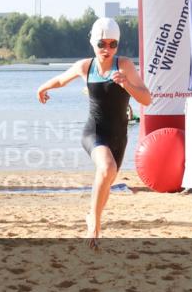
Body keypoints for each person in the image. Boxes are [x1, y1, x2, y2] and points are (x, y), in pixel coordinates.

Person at [37, 18, 151, 247]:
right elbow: (61, 79)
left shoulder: (124, 65)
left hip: (119, 136)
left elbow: (146, 99)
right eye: (102, 44)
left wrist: (126, 84)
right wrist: (42, 87)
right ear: (93, 43)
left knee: (107, 180)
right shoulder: (85, 67)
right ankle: (95, 226)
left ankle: (92, 216)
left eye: (112, 44)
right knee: (107, 168)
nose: (107, 49)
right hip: (94, 132)